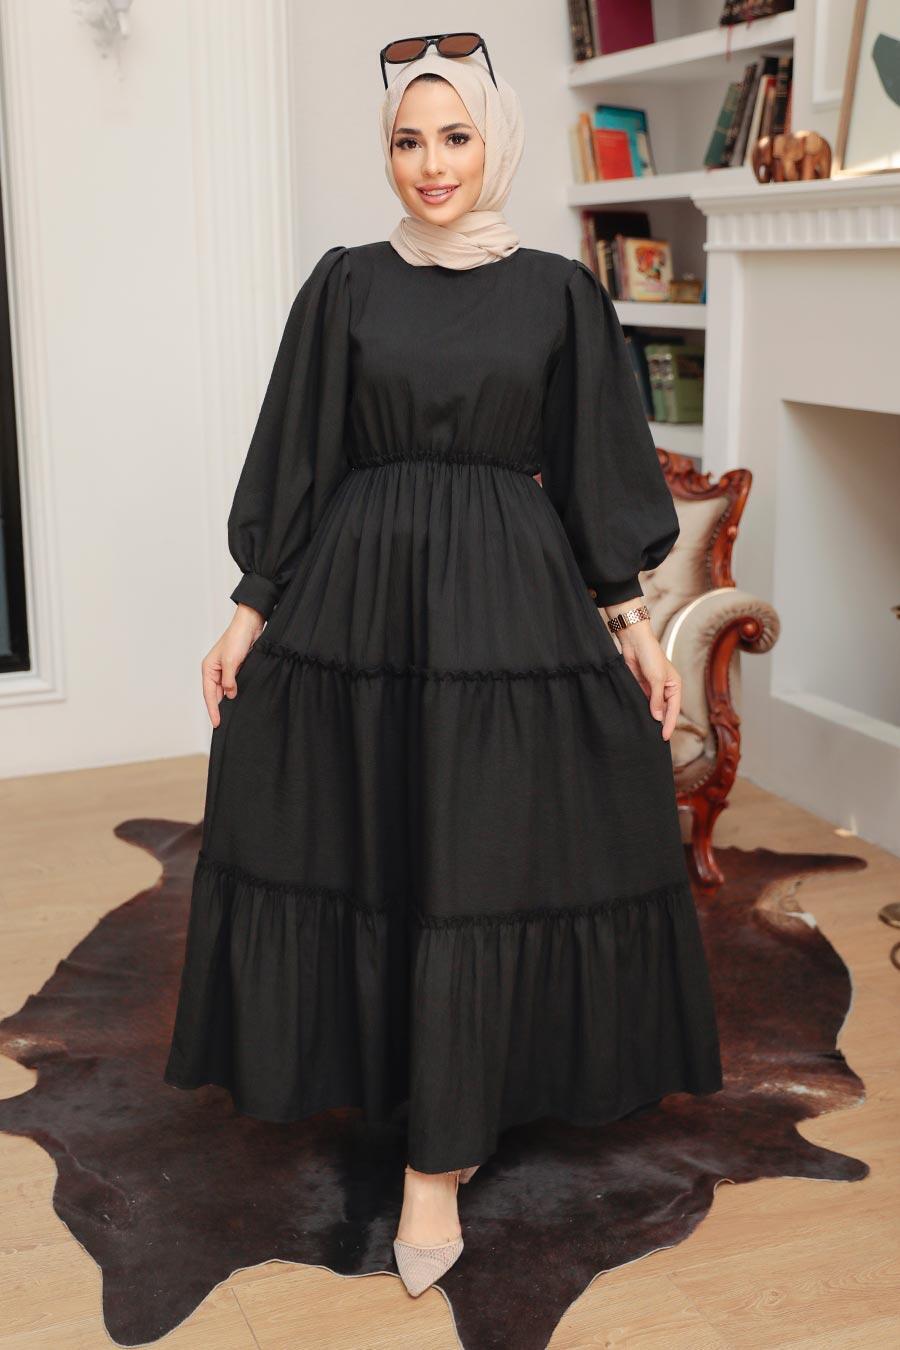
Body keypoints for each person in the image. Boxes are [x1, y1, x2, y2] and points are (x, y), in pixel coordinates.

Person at [163, 36, 723, 1298]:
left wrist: (635, 627)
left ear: (493, 142)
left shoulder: (558, 294)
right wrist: (248, 611)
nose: (431, 164)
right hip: (360, 603)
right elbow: (298, 453)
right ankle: (391, 1084)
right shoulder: (345, 283)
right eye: (408, 140)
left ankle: (439, 1160)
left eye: (455, 136)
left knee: (480, 862)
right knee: (374, 853)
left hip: (507, 605)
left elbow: (596, 466)